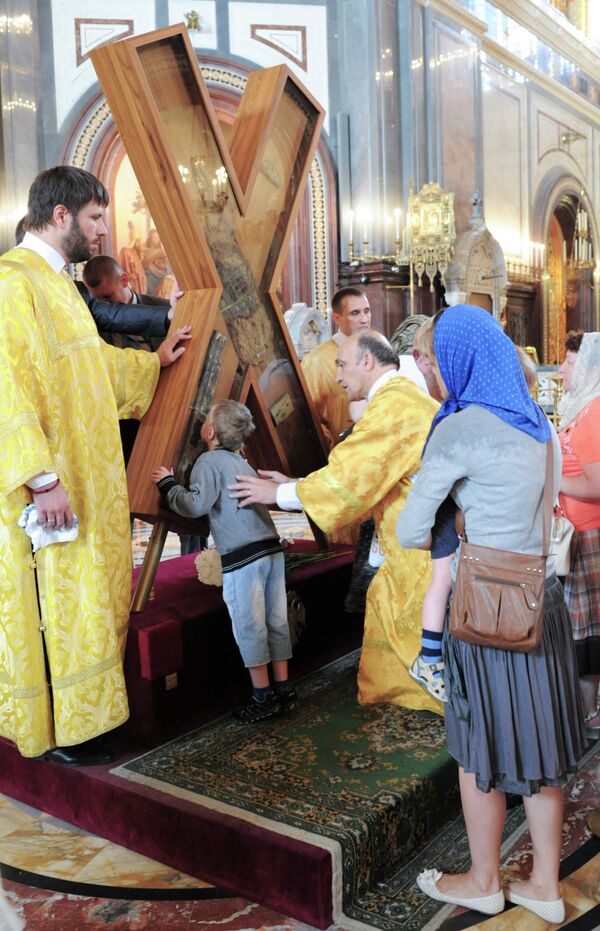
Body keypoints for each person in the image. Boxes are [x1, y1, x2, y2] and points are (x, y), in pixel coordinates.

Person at [396, 305, 585, 923]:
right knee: (541, 747)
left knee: (480, 746)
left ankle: (482, 878)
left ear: (459, 358)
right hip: (544, 606)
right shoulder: (539, 423)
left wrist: (456, 514)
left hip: (487, 610)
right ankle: (546, 887)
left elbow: (408, 530)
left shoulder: (462, 428)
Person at [0, 166, 191, 765]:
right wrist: (42, 479)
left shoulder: (60, 283)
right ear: (61, 217)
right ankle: (60, 726)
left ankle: (89, 719)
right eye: (95, 218)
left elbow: (97, 369)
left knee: (87, 599)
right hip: (53, 486)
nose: (105, 231)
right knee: (58, 601)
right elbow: (8, 389)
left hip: (89, 480)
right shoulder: (14, 284)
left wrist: (154, 361)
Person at [229, 330, 442, 714]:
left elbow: (351, 479)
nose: (338, 376)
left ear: (367, 361)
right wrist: (297, 485)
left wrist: (273, 495)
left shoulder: (394, 407)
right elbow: (366, 475)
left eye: (342, 364)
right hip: (411, 542)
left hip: (419, 549)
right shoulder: (402, 399)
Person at [151, 400, 295, 723]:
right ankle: (284, 689)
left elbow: (196, 505)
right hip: (271, 551)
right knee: (277, 620)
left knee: (250, 625)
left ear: (211, 432)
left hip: (243, 559)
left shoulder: (208, 460)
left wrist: (168, 485)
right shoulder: (241, 461)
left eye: (206, 418)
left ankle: (262, 698)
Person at [14, 215, 172, 339]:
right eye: (94, 218)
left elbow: (111, 314)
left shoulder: (73, 289)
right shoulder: (9, 282)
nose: (102, 230)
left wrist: (169, 315)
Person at [558, 330, 600, 737]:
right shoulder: (581, 408)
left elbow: (597, 485)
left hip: (588, 535)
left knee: (585, 631)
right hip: (576, 533)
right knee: (580, 627)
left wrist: (554, 480)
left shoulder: (593, 413)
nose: (563, 370)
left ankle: (588, 714)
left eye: (570, 363)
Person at [301, 287, 371, 448]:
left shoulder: (375, 350)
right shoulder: (317, 360)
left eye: (367, 311)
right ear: (337, 318)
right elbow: (307, 413)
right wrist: (325, 436)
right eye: (355, 313)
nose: (364, 319)